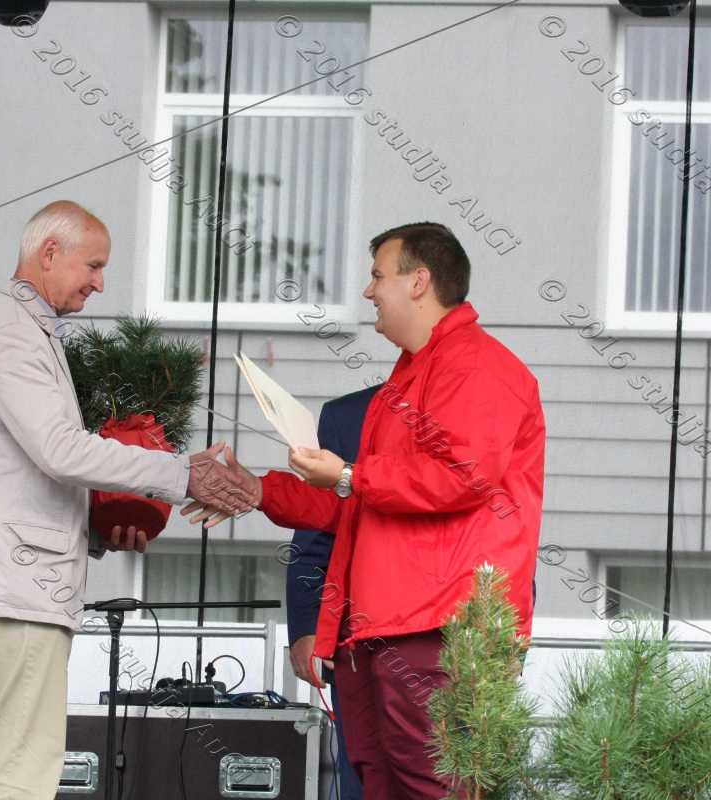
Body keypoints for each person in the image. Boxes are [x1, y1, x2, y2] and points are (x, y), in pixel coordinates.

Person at [0, 200, 253, 800]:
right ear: (49, 253)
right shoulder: (14, 332)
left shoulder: (14, 327)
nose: (99, 282)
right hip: (12, 591)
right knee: (18, 774)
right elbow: (59, 449)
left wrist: (95, 527)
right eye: (93, 265)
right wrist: (179, 473)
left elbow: (16, 470)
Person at [187, 221, 546, 799]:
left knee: (434, 786)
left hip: (441, 628)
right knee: (383, 782)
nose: (368, 290)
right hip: (381, 629)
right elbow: (361, 506)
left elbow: (460, 479)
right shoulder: (410, 376)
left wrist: (350, 475)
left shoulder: (480, 366)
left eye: (378, 275)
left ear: (419, 282)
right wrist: (258, 490)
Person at [287, 385, 379, 800]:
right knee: (361, 782)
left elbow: (505, 530)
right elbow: (315, 530)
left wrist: (510, 637)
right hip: (356, 644)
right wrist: (307, 625)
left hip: (457, 641)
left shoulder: (482, 405)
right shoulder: (347, 415)